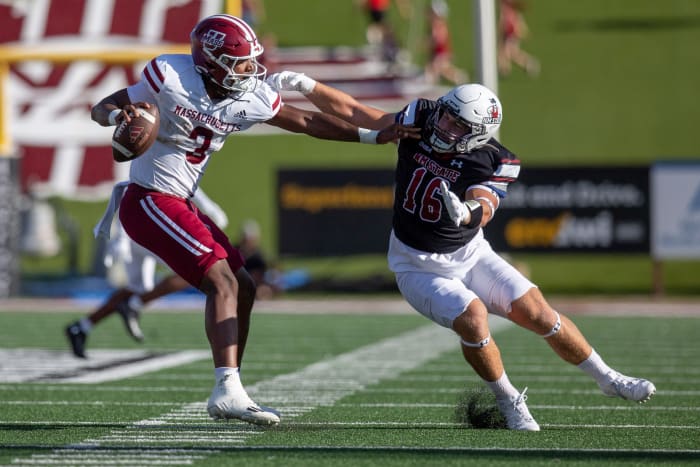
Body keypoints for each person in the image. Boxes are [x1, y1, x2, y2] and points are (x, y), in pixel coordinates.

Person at [265, 71, 656, 431]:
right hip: (417, 265)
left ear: (479, 134)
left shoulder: (494, 159)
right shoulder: (422, 116)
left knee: (540, 314)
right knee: (473, 317)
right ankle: (508, 401)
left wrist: (469, 212)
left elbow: (484, 204)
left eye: (458, 124)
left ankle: (607, 378)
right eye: (447, 115)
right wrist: (307, 86)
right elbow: (356, 112)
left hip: (470, 254)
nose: (445, 125)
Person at [90, 14, 416, 427]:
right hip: (149, 199)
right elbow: (105, 106)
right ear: (211, 62)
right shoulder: (169, 76)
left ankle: (232, 387)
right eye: (241, 63)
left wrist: (369, 136)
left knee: (243, 285)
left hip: (180, 202)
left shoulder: (250, 96)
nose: (251, 70)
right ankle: (225, 390)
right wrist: (117, 118)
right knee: (222, 282)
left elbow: (307, 121)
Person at [64, 188, 228, 359]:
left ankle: (81, 327)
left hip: (138, 228)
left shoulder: (167, 169)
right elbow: (133, 188)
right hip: (147, 230)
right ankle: (133, 305)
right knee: (193, 271)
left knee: (138, 287)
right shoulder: (163, 168)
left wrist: (122, 237)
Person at [424, 0, 468, 85]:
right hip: (437, 52)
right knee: (441, 70)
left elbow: (439, 39)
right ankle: (458, 77)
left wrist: (429, 42)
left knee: (437, 69)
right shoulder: (436, 24)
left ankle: (459, 77)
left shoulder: (439, 25)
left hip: (441, 52)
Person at [498, 0, 540, 77]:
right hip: (508, 30)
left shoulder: (508, 8)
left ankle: (528, 63)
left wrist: (521, 29)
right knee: (506, 51)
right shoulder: (507, 8)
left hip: (510, 31)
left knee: (510, 52)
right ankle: (504, 69)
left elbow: (514, 17)